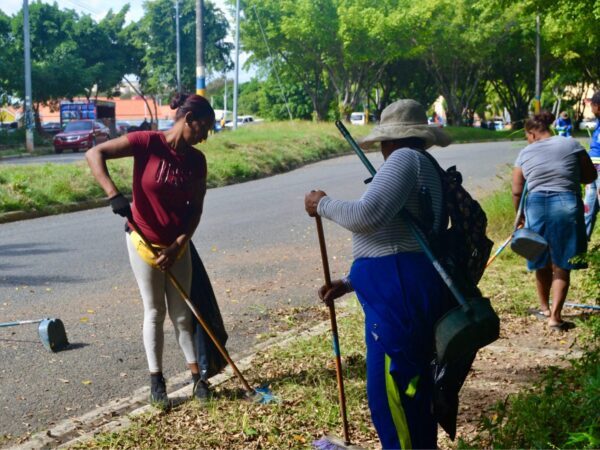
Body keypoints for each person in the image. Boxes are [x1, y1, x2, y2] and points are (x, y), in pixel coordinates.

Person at [305, 99, 454, 449]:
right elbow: (397, 238)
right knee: (411, 394)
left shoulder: (404, 160)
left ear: (391, 140)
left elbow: (367, 216)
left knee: (393, 399)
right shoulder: (421, 163)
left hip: (397, 298)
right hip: (401, 288)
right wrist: (350, 282)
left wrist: (321, 204)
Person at [86, 93, 216, 406]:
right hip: (142, 241)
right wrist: (113, 195)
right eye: (203, 128)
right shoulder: (147, 143)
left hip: (177, 246)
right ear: (188, 120)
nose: (205, 136)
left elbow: (195, 210)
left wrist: (178, 245)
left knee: (183, 315)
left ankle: (197, 377)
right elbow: (94, 154)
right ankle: (157, 382)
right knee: (155, 310)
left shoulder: (197, 161)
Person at [512, 111, 597, 331]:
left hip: (537, 205)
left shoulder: (524, 153)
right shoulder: (570, 144)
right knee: (562, 263)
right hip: (566, 202)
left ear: (531, 134)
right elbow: (590, 176)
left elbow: (516, 190)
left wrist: (519, 216)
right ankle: (555, 317)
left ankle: (544, 308)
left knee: (540, 256)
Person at [583, 91, 600, 239]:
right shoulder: (598, 122)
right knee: (587, 207)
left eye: (592, 105)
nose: (591, 109)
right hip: (592, 169)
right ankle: (580, 249)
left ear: (598, 106)